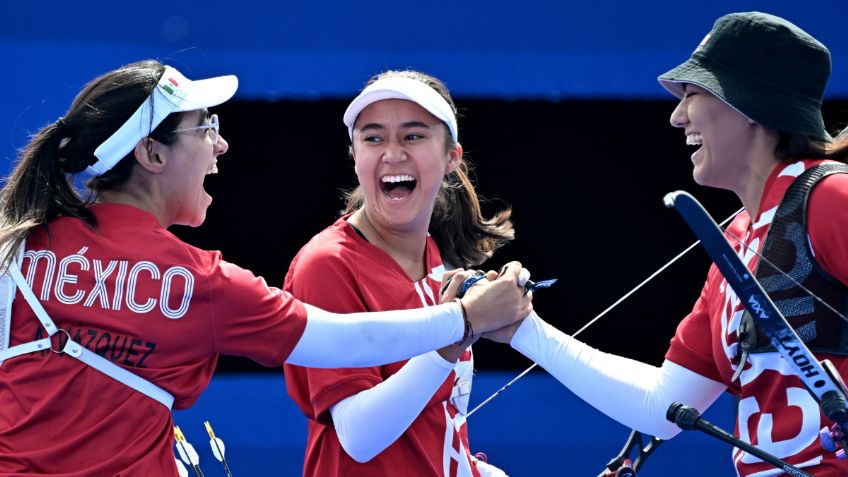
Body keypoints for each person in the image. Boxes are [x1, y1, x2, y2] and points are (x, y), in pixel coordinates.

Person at [0, 60, 533, 476]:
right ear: (152, 155)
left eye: (413, 135)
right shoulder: (198, 283)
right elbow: (347, 341)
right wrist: (463, 320)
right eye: (206, 127)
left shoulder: (17, 250)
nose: (222, 143)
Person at [484, 12, 848, 476]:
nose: (677, 116)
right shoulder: (734, 246)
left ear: (751, 105)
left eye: (692, 94)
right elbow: (665, 406)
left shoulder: (831, 198)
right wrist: (521, 329)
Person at [283, 70, 515, 476]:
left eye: (413, 136)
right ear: (355, 156)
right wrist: (457, 329)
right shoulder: (325, 265)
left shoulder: (431, 257)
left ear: (451, 158)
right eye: (373, 138)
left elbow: (431, 426)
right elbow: (359, 436)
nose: (392, 153)